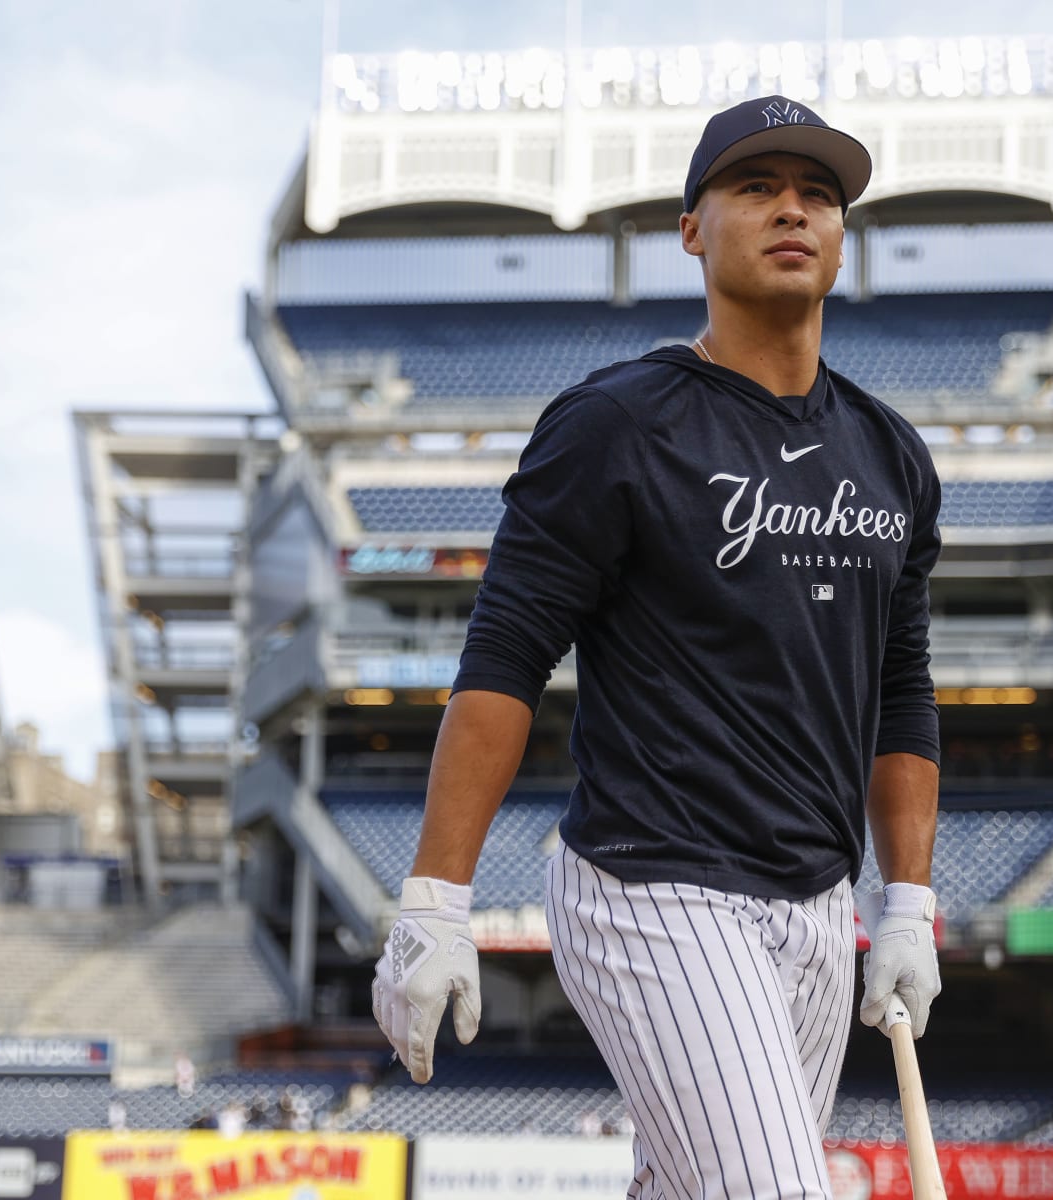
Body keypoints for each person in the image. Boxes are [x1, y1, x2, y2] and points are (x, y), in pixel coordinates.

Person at [372, 93, 943, 1199]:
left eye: (819, 194)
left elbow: (901, 686)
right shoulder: (617, 422)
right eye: (757, 188)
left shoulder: (891, 454)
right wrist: (436, 895)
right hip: (654, 885)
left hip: (820, 905)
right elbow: (504, 657)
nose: (794, 210)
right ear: (692, 228)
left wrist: (907, 899)